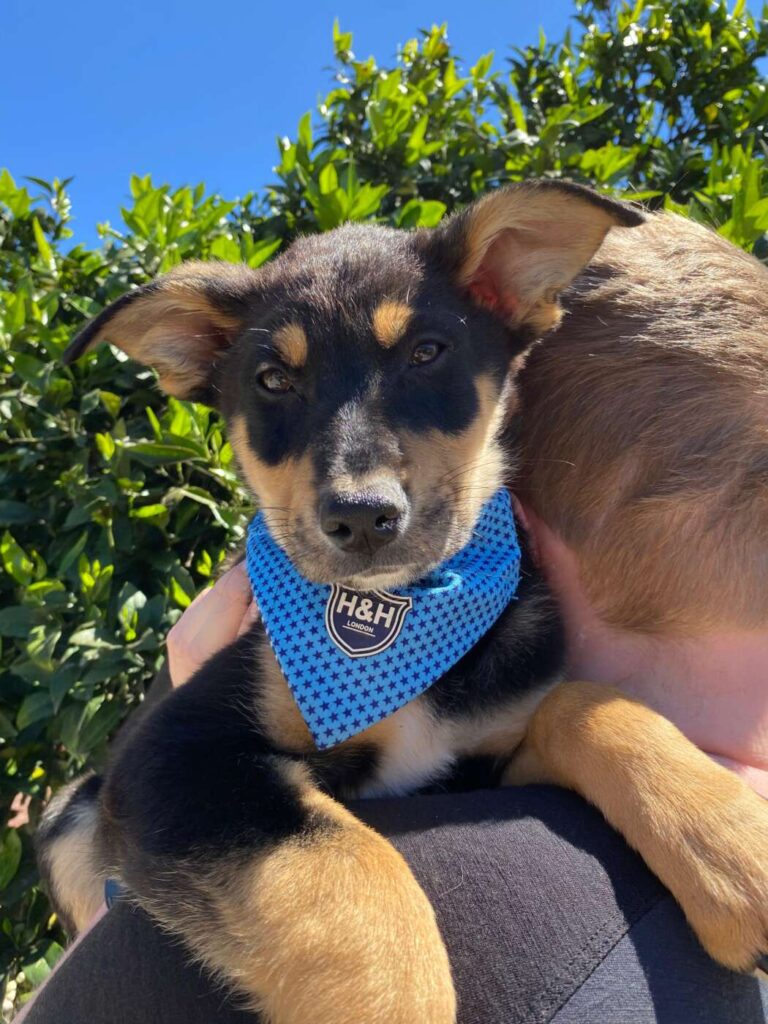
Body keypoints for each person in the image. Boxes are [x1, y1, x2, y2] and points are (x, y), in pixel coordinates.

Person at [20, 212, 768, 1022]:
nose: (358, 486)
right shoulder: (264, 621)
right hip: (167, 910)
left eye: (424, 356)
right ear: (201, 355)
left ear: (506, 297)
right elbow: (167, 786)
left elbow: (507, 751)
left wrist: (629, 755)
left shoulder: (516, 614)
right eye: (275, 383)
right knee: (72, 821)